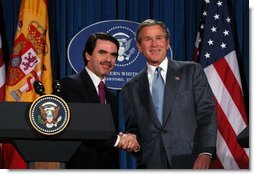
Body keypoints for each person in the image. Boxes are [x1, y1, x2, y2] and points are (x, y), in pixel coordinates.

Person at [121, 19, 217, 169]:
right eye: (147, 39)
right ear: (139, 46)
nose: (154, 44)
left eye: (159, 38)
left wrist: (205, 152)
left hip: (190, 160)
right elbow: (133, 129)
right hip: (151, 163)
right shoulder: (130, 87)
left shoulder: (192, 71)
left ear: (167, 43)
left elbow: (206, 114)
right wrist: (132, 141)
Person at [60, 33, 139, 169]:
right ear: (88, 55)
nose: (108, 59)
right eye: (102, 53)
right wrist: (119, 140)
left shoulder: (111, 96)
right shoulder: (70, 85)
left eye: (113, 55)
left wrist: (129, 140)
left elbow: (106, 132)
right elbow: (84, 126)